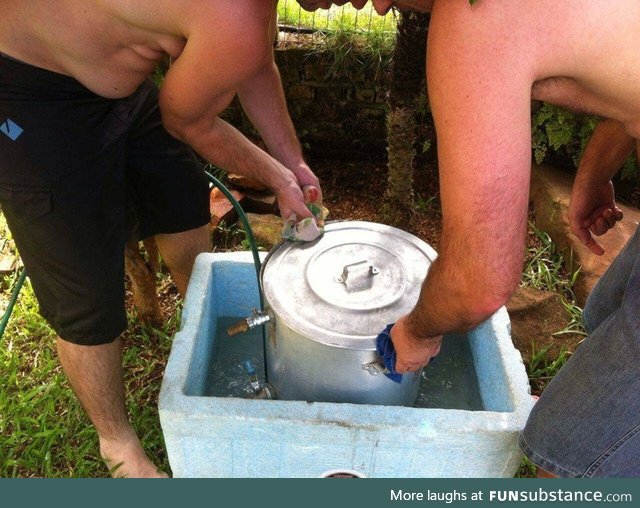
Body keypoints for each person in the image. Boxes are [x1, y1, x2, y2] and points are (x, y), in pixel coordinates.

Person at [298, 0, 640, 477]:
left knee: (570, 455)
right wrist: (595, 172)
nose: (371, 7)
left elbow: (480, 280)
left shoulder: (475, 13)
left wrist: (415, 332)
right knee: (608, 310)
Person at [0, 0, 319, 478]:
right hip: (26, 93)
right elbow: (190, 122)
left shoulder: (252, 15)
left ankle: (206, 339)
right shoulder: (234, 15)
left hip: (122, 88)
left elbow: (257, 63)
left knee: (183, 208)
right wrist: (277, 178)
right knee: (86, 294)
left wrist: (293, 163)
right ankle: (118, 446)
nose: (368, 7)